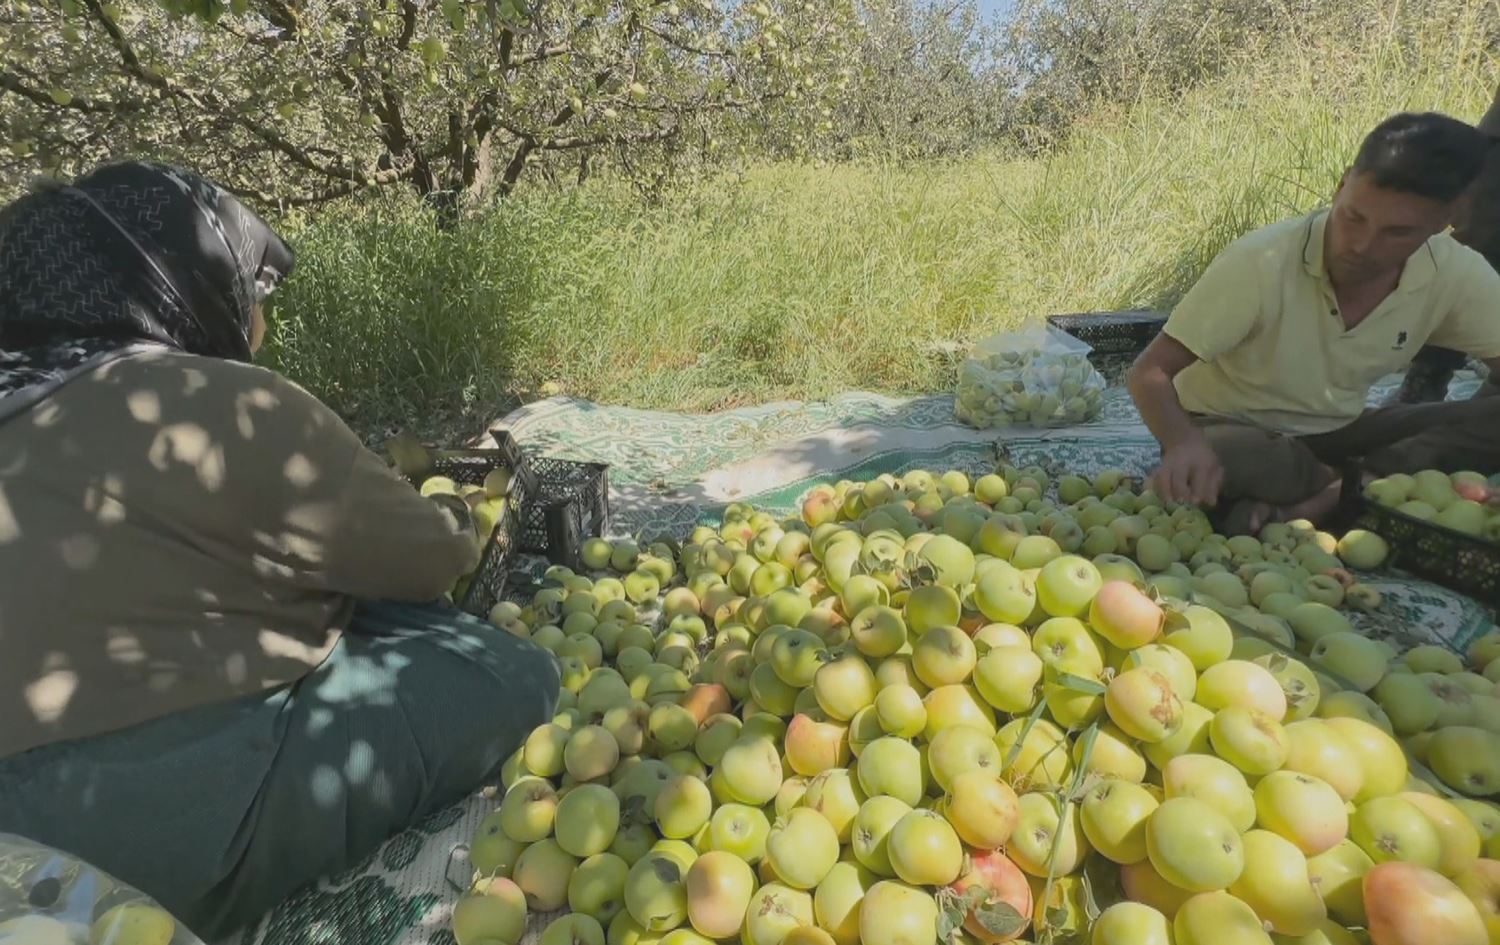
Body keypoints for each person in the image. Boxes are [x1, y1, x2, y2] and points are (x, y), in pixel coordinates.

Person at [0, 162, 560, 938]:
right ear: (183, 287)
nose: (264, 321)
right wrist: (460, 520)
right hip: (116, 852)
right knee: (508, 672)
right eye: (254, 293)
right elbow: (431, 558)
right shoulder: (211, 403)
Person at [1128, 111, 1500, 534]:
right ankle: (1365, 487)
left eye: (1396, 233)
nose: (1361, 246)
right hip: (1231, 429)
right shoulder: (1261, 261)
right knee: (1230, 460)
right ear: (1342, 185)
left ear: (1443, 223)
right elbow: (1149, 373)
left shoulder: (1455, 273)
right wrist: (1182, 443)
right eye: (1353, 217)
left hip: (1340, 429)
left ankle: (1321, 499)